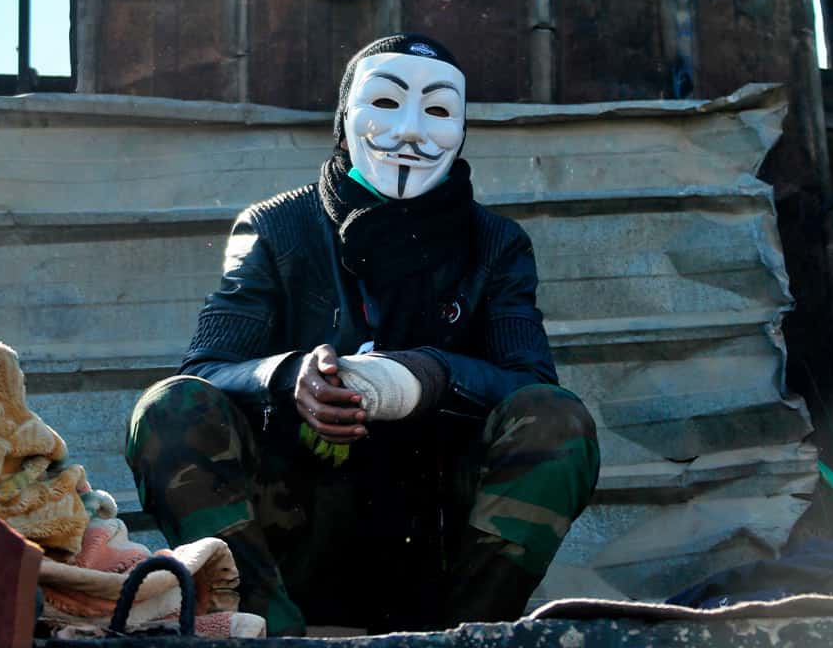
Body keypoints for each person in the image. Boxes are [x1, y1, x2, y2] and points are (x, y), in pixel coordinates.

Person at [125, 34, 600, 635]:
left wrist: (428, 376)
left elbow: (534, 384)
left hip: (432, 528)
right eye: (386, 104)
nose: (409, 132)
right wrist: (286, 376)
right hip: (294, 524)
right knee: (167, 408)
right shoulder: (272, 228)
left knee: (559, 419)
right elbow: (206, 369)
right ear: (344, 117)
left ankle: (471, 633)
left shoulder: (498, 244)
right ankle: (264, 628)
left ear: (461, 129)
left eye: (435, 110)